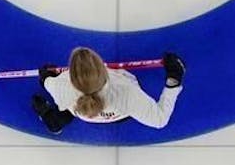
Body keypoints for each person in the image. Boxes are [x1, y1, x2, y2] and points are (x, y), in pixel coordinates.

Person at [31, 47, 185, 133]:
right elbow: (160, 120)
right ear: (103, 69)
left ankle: (52, 121)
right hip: (120, 114)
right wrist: (174, 78)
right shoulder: (126, 92)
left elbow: (45, 80)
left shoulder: (59, 84)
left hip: (83, 113)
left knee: (63, 111)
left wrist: (46, 76)